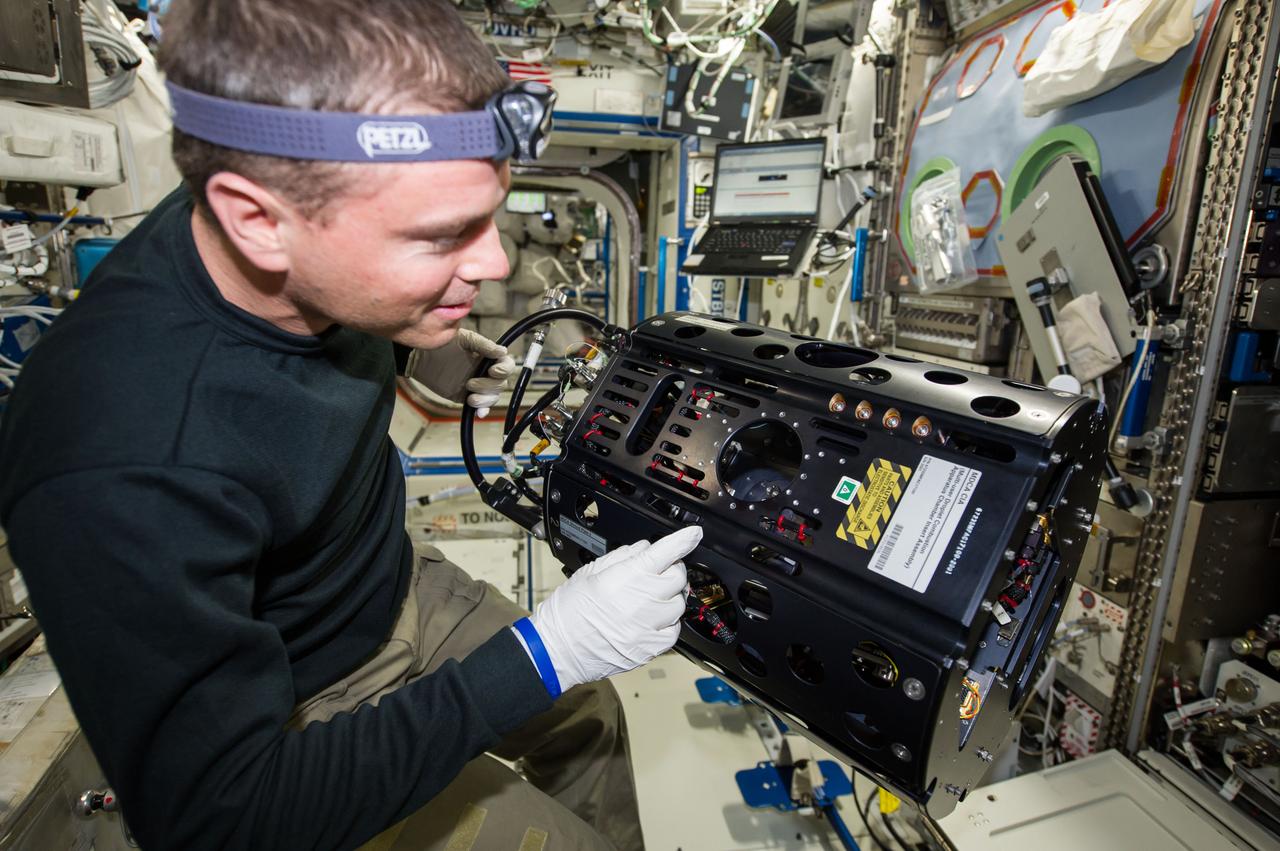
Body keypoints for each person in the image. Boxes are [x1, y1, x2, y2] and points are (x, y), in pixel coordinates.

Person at [0, 1, 701, 848]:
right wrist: (547, 651)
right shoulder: (119, 460)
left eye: (489, 213)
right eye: (441, 235)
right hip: (308, 702)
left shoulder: (286, 213)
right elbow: (220, 819)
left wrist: (420, 347)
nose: (494, 262)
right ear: (257, 220)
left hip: (390, 582)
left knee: (590, 714)